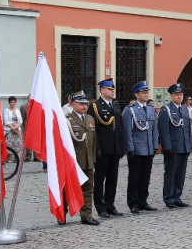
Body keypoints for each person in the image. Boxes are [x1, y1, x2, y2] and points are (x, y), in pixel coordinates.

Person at [88, 78, 126, 218]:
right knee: (99, 180)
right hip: (103, 150)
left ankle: (110, 205)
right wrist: (96, 148)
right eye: (109, 89)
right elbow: (94, 130)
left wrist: (121, 147)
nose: (112, 91)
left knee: (112, 179)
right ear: (102, 90)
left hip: (115, 149)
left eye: (112, 89)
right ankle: (100, 207)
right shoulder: (95, 106)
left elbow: (120, 128)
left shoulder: (115, 106)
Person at [61, 91, 99, 226]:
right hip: (74, 162)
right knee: (67, 190)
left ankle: (86, 215)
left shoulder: (90, 119)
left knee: (88, 189)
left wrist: (93, 159)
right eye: (81, 104)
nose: (84, 106)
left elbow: (93, 141)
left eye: (85, 104)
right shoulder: (66, 120)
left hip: (87, 161)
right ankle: (62, 214)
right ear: (73, 104)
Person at [123, 81, 159, 213]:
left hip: (148, 148)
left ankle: (143, 201)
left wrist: (155, 146)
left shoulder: (150, 109)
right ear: (136, 94)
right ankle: (133, 203)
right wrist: (130, 148)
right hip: (137, 149)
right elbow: (127, 131)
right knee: (134, 177)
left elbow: (154, 129)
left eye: (146, 92)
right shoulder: (130, 110)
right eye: (143, 92)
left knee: (145, 177)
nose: (145, 94)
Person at [157, 83, 191, 209]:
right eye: (177, 95)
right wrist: (167, 146)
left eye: (181, 94)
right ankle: (169, 198)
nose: (179, 97)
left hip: (183, 146)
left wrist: (189, 145)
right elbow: (164, 130)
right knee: (170, 174)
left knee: (180, 174)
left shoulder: (184, 109)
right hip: (173, 147)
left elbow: (187, 130)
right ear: (171, 96)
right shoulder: (166, 110)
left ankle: (177, 196)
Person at [3, 96, 23, 161]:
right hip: (9, 130)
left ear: (15, 102)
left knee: (17, 144)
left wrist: (16, 127)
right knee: (9, 144)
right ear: (9, 103)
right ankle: (9, 158)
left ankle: (16, 158)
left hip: (17, 129)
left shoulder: (18, 110)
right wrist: (12, 127)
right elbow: (6, 120)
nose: (12, 103)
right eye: (11, 102)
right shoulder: (6, 110)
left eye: (13, 102)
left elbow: (20, 120)